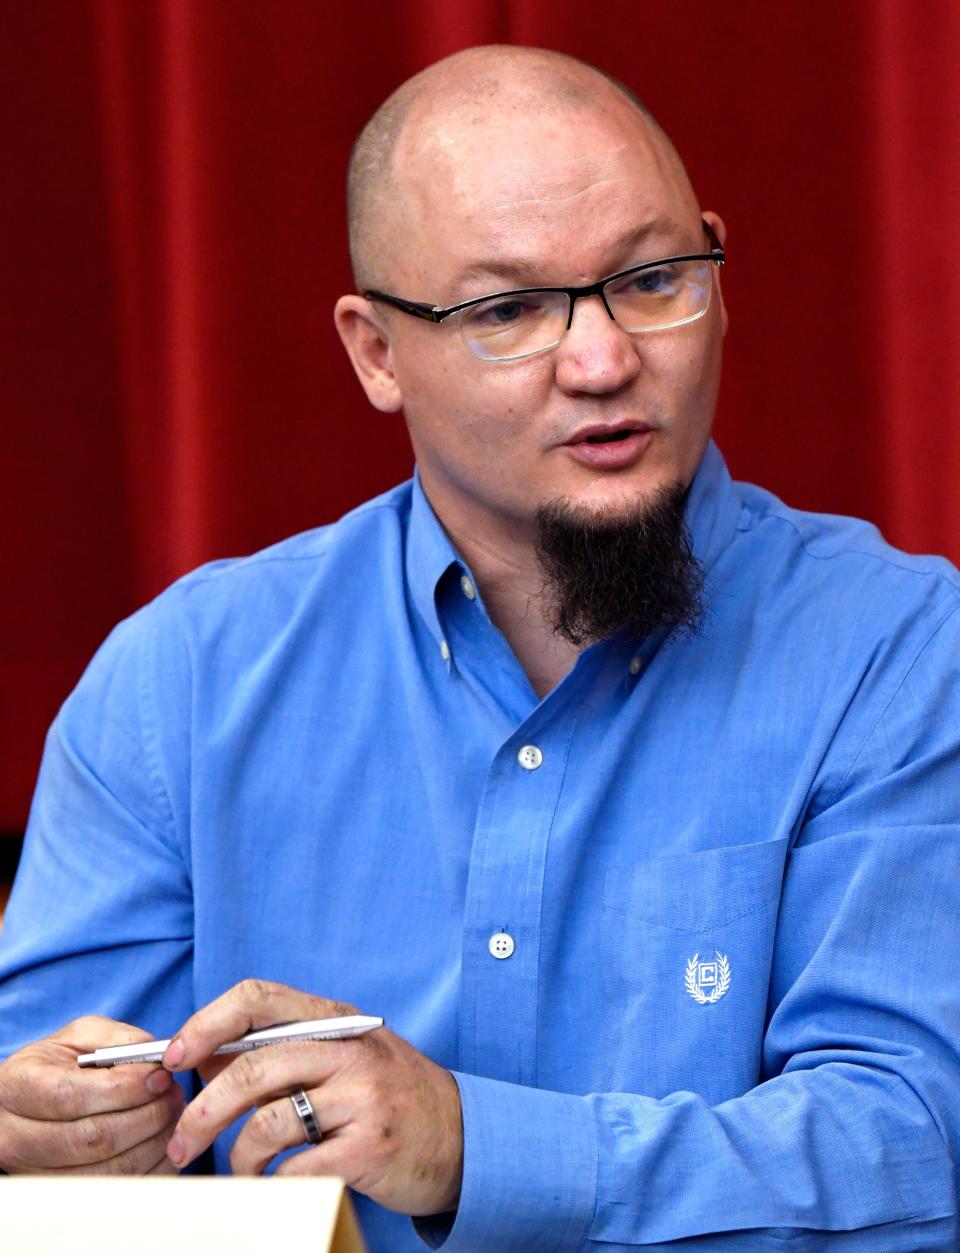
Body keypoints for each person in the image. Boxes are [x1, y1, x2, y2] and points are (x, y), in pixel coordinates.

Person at [1, 42, 958, 1251]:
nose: (606, 360)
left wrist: (468, 1143)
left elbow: (917, 1148)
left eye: (653, 278)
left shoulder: (900, 648)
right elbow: (51, 1169)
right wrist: (57, 1139)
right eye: (508, 309)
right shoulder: (178, 684)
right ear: (375, 352)